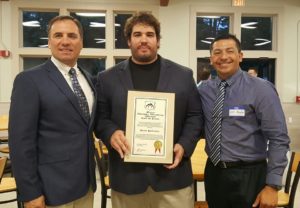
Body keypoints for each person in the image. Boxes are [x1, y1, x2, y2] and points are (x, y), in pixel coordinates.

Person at [94, 12, 202, 208]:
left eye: (150, 34)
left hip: (173, 178)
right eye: (137, 35)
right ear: (128, 41)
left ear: (158, 41)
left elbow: (194, 116)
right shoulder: (107, 78)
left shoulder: (183, 76)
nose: (144, 40)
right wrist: (111, 133)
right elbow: (101, 118)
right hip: (128, 180)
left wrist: (184, 145)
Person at [8, 15, 96, 207]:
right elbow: (20, 142)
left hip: (85, 186)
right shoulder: (29, 80)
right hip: (50, 189)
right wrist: (30, 192)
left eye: (72, 36)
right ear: (49, 42)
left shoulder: (89, 79)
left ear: (81, 42)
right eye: (58, 35)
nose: (65, 41)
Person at [197, 34, 290, 208]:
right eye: (217, 52)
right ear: (211, 59)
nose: (223, 57)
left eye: (229, 51)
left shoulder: (261, 89)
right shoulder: (204, 90)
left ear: (240, 56)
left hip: (250, 175)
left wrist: (272, 186)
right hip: (214, 173)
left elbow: (279, 138)